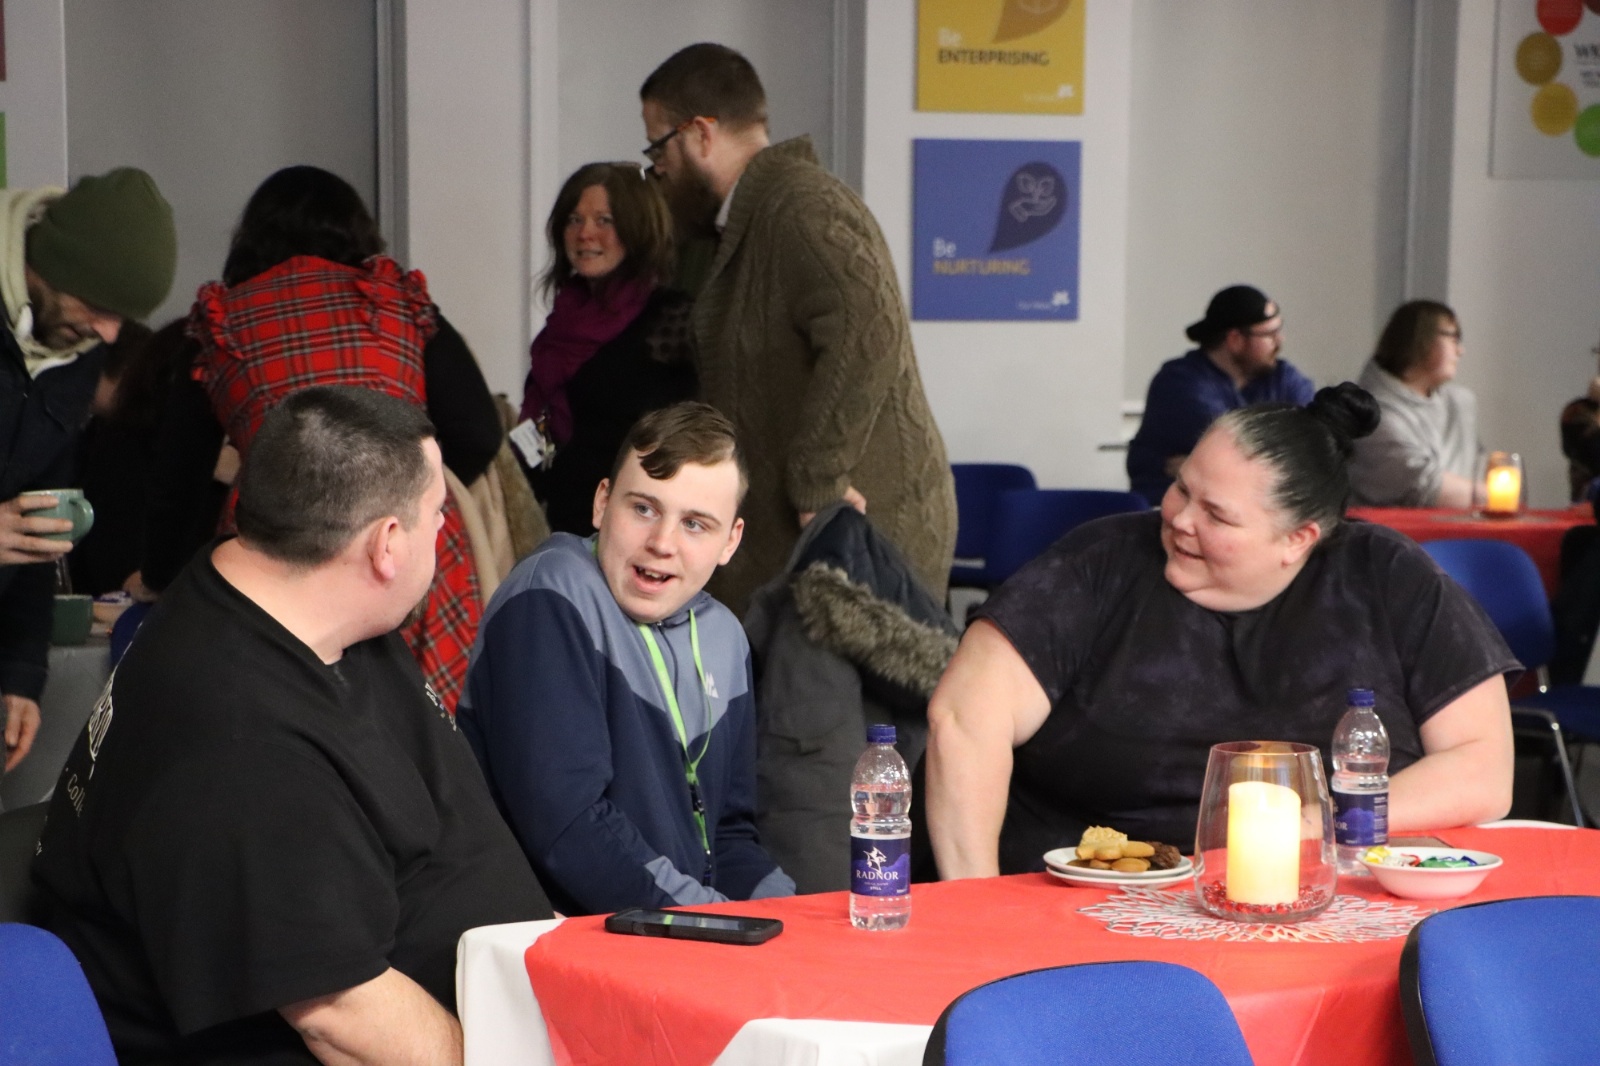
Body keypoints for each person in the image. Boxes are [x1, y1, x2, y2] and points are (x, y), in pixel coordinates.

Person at [33, 386, 552, 1065]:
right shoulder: (239, 744)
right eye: (437, 515)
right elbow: (341, 1019)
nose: (442, 532)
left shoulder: (307, 603)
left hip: (513, 985)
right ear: (387, 545)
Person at [926, 384, 1517, 878]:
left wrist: (1315, 821)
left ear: (1297, 540)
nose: (1180, 519)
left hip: (1325, 891)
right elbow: (963, 722)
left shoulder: (1386, 576)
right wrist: (975, 905)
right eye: (1183, 488)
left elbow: (1483, 768)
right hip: (1091, 897)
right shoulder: (1098, 563)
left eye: (1217, 515)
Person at [151, 165, 502, 710]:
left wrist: (161, 576)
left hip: (278, 542)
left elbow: (178, 478)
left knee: (283, 709)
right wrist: (414, 488)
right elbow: (477, 429)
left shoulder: (223, 324)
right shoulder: (395, 303)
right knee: (423, 721)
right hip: (404, 534)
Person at [639, 43, 956, 616]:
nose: (656, 167)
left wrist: (819, 481)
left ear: (701, 134)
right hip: (816, 549)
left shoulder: (800, 206)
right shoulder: (746, 223)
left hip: (865, 545)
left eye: (659, 146)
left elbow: (867, 328)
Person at [459, 401, 794, 916]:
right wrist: (710, 921)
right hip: (557, 934)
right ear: (602, 504)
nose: (662, 543)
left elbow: (727, 836)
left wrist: (796, 917)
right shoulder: (549, 595)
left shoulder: (725, 638)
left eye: (695, 524)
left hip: (670, 929)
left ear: (731, 542)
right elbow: (569, 825)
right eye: (643, 509)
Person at [0, 167, 175, 777]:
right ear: (50, 266)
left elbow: (37, 531)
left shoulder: (77, 359)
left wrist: (20, 674)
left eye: (121, 318)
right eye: (99, 308)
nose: (108, 333)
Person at [515, 161, 696, 534]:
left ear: (636, 229)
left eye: (604, 221)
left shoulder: (670, 318)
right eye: (574, 220)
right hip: (562, 522)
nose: (585, 234)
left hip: (635, 528)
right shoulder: (562, 321)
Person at [1127, 284, 1314, 506]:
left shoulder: (1281, 377)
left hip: (1253, 510)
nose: (1280, 341)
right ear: (1235, 340)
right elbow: (1236, 446)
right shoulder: (1179, 382)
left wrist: (1195, 465)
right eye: (1269, 334)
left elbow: (1313, 437)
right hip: (1173, 511)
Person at [1349, 299, 1480, 508]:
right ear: (1420, 339)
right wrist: (1498, 497)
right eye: (1453, 338)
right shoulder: (1371, 413)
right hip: (1389, 527)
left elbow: (1480, 467)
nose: (1460, 350)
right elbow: (1423, 488)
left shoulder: (1459, 403)